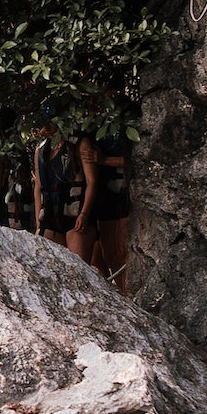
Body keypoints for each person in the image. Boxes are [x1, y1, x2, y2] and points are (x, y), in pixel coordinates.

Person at [33, 123, 99, 263]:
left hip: (75, 215)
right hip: (50, 217)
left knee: (78, 269)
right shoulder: (41, 150)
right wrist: (39, 222)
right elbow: (38, 187)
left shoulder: (80, 143)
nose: (44, 130)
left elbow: (92, 181)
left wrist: (84, 214)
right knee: (48, 267)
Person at [90, 132, 133, 294]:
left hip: (125, 194)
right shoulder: (94, 133)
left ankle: (125, 292)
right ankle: (119, 292)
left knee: (122, 250)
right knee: (108, 253)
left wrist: (104, 161)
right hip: (104, 197)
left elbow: (136, 160)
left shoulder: (127, 128)